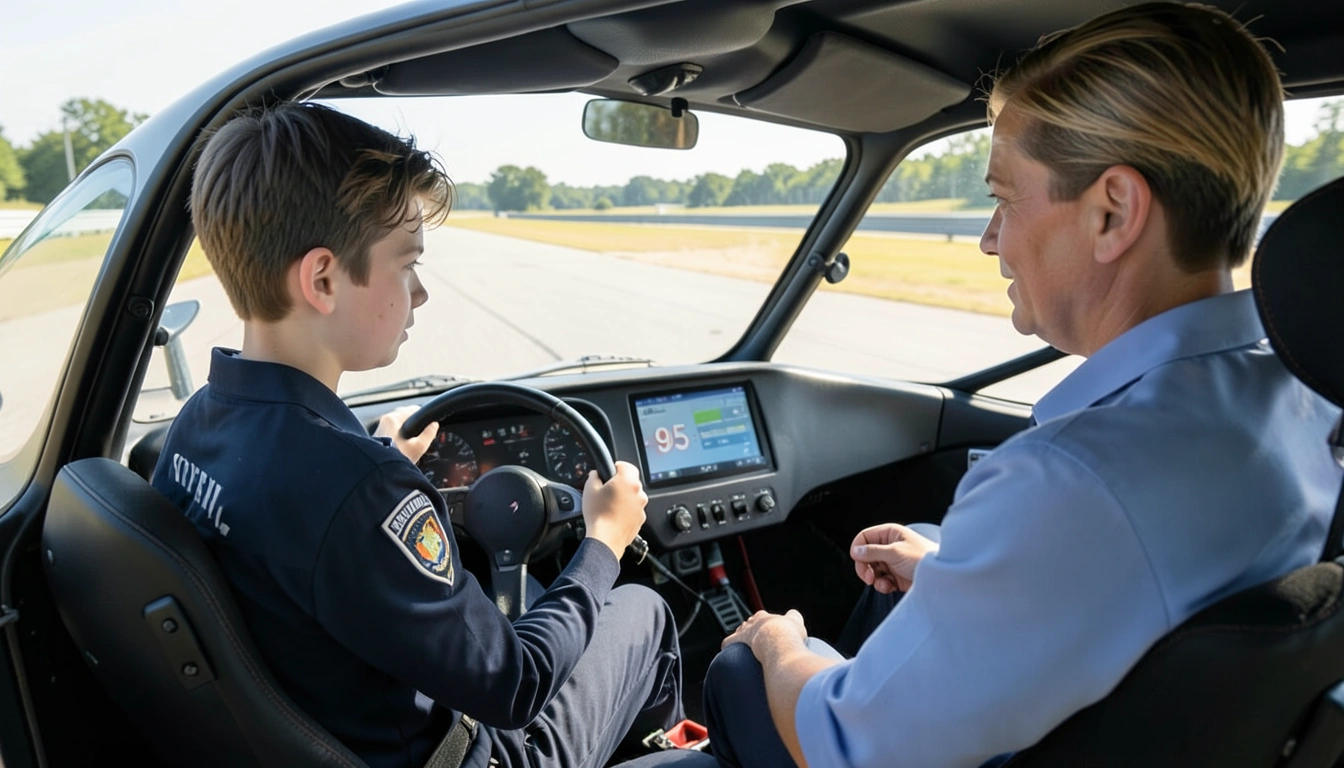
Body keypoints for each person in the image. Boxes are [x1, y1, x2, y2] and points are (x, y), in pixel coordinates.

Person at [701, 3, 1344, 767]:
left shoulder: (1077, 476)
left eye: (1004, 199)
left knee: (741, 665)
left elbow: (844, 743)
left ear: (1114, 212)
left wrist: (778, 641)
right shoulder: (1305, 398)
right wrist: (955, 568)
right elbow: (1134, 583)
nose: (988, 239)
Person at [150, 101, 690, 768]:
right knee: (641, 610)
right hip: (462, 757)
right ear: (322, 279)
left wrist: (370, 461)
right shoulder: (365, 493)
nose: (421, 294)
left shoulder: (197, 426)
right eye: (406, 264)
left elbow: (300, 538)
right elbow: (513, 684)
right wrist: (604, 540)